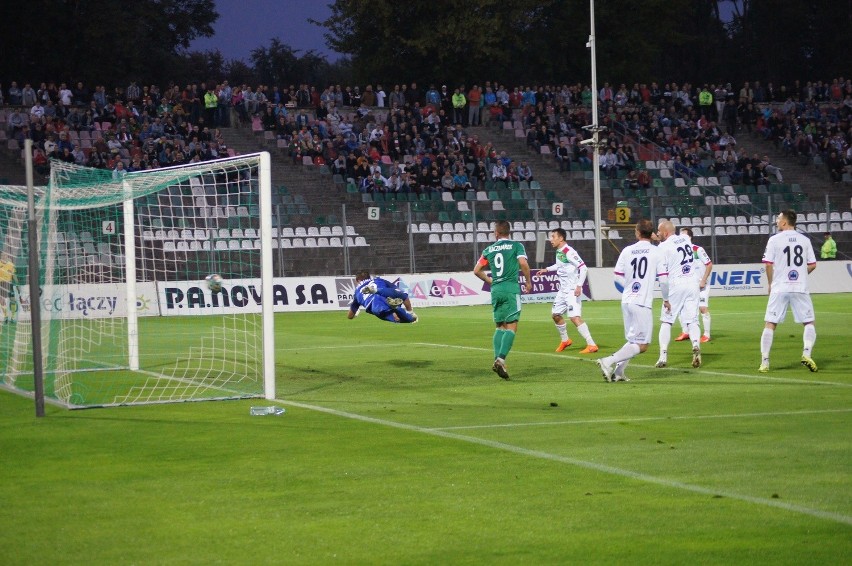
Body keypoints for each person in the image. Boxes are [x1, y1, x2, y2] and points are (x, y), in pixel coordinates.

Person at [597, 219, 668, 382]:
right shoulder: (657, 252)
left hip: (627, 301)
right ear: (652, 234)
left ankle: (619, 373)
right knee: (642, 345)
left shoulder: (627, 251)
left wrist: (628, 291)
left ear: (636, 233)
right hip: (641, 303)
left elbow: (617, 278)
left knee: (632, 341)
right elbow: (664, 280)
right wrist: (667, 299)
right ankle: (607, 361)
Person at [759, 211, 818, 373]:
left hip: (780, 287)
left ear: (785, 222)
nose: (777, 221)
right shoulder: (805, 240)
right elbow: (812, 264)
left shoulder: (774, 240)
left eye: (778, 219)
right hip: (800, 287)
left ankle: (765, 362)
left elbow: (768, 264)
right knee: (809, 322)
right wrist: (801, 275)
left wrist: (770, 283)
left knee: (770, 323)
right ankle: (806, 353)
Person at [473, 220, 533, 380]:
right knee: (512, 326)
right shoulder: (516, 246)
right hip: (510, 288)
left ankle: (497, 360)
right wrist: (528, 281)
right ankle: (501, 359)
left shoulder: (489, 249)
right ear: (509, 232)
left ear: (496, 233)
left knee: (500, 326)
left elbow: (477, 270)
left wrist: (491, 281)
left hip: (496, 290)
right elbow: (523, 264)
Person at [536, 229, 598, 354]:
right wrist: (547, 269)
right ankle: (565, 340)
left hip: (571, 290)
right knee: (555, 314)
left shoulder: (569, 251)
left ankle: (591, 344)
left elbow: (583, 268)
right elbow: (560, 265)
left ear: (561, 238)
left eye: (553, 237)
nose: (551, 239)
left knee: (574, 317)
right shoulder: (560, 252)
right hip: (562, 290)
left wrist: (579, 286)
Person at [654, 220, 703, 369]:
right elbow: (672, 240)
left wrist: (665, 298)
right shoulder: (686, 238)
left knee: (666, 321)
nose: (657, 234)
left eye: (659, 231)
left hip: (676, 284)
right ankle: (695, 345)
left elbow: (663, 275)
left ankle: (662, 356)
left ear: (665, 232)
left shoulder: (662, 247)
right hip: (693, 283)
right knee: (692, 321)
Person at [674, 227, 713, 343]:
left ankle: (706, 334)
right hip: (687, 285)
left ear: (689, 237)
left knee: (702, 308)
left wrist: (703, 280)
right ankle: (685, 331)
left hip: (701, 285)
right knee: (682, 308)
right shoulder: (678, 251)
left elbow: (709, 264)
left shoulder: (697, 249)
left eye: (684, 235)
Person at [347, 271, 418, 324]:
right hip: (385, 295)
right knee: (401, 295)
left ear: (358, 280)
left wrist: (355, 314)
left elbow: (350, 316)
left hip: (375, 305)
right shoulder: (378, 280)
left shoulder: (357, 292)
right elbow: (401, 294)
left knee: (401, 319)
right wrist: (410, 311)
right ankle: (396, 308)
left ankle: (395, 310)